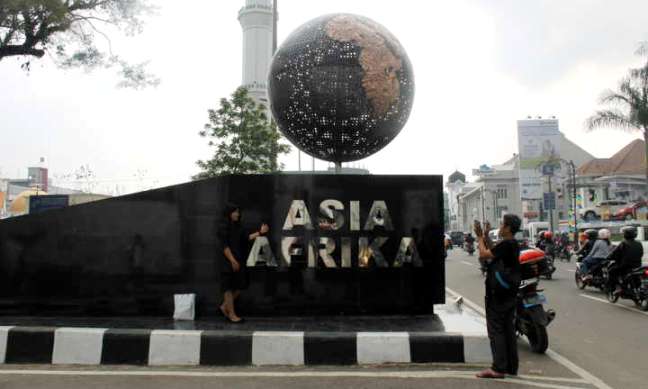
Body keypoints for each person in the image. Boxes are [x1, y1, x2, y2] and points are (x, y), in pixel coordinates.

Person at [474, 214, 523, 379]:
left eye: (502, 224)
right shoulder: (511, 244)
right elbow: (494, 250)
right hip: (509, 293)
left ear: (508, 228)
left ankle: (498, 368)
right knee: (508, 329)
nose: (500, 227)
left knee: (496, 331)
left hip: (498, 295)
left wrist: (480, 237)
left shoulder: (507, 244)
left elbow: (484, 254)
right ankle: (510, 366)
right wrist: (486, 236)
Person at [218, 203, 269, 323]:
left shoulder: (238, 226)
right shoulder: (223, 227)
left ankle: (225, 306)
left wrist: (260, 233)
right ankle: (232, 315)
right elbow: (224, 246)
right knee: (228, 288)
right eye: (235, 212)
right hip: (227, 261)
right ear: (229, 213)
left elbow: (246, 237)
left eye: (238, 211)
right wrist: (232, 260)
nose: (237, 214)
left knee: (240, 285)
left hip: (238, 259)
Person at [607, 226, 643, 295]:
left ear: (626, 234)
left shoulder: (623, 243)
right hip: (638, 265)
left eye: (623, 233)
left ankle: (618, 288)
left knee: (611, 271)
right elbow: (641, 254)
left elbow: (615, 253)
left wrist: (609, 257)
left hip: (625, 266)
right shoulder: (639, 243)